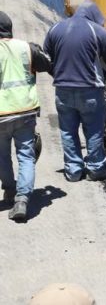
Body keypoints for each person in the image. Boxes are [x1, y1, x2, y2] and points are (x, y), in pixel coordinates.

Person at [44, 0, 106, 182]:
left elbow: (46, 60)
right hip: (90, 91)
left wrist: (59, 75)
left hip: (63, 91)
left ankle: (73, 170)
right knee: (93, 130)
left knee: (68, 131)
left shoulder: (55, 29)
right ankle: (96, 168)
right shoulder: (97, 31)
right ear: (94, 16)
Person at [0, 12, 50, 222]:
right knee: (26, 156)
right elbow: (47, 63)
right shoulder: (26, 48)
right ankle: (22, 200)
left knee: (2, 155)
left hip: (1, 115)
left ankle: (10, 190)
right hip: (26, 112)